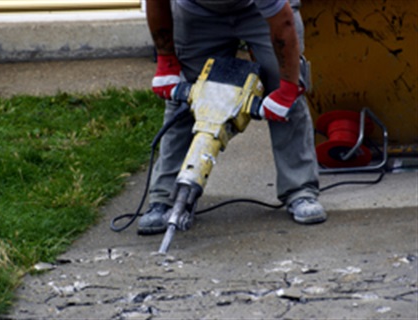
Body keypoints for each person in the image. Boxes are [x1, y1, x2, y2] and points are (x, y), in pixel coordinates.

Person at [138, 0, 326, 235]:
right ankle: (166, 198)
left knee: (287, 89)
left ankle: (300, 191)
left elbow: (283, 22)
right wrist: (167, 62)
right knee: (185, 97)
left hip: (258, 11)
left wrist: (287, 88)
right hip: (195, 13)